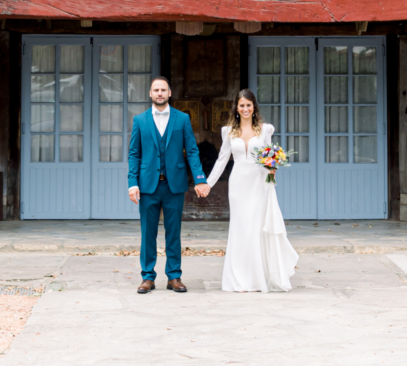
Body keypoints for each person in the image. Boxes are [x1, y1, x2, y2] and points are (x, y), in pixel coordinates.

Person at [206, 88, 299, 292]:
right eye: (242, 105)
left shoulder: (265, 130)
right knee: (240, 230)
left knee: (256, 229)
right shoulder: (229, 131)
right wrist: (208, 183)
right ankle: (239, 280)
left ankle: (257, 280)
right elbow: (222, 161)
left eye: (249, 105)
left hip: (259, 184)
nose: (245, 108)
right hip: (238, 184)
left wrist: (272, 170)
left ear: (253, 107)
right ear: (236, 108)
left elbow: (269, 158)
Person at [128, 76, 210, 293]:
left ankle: (174, 276)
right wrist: (132, 183)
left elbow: (192, 150)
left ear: (170, 93)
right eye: (156, 90)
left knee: (173, 232)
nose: (160, 93)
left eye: (163, 90)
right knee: (148, 233)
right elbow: (134, 154)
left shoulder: (182, 119)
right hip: (147, 186)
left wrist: (200, 178)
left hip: (174, 186)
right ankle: (147, 277)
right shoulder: (140, 120)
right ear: (150, 93)